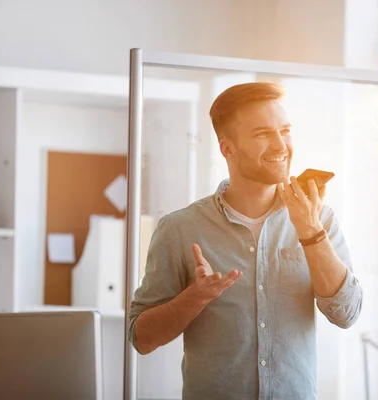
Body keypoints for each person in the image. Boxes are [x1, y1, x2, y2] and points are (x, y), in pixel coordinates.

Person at [128, 82, 363, 400]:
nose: (281, 145)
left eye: (285, 130)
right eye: (262, 134)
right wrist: (195, 298)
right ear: (227, 148)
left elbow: (346, 314)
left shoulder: (319, 218)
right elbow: (141, 338)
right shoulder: (180, 229)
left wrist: (310, 230)